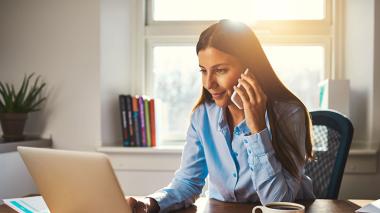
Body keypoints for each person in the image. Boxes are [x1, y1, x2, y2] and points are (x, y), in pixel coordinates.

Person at [127, 19, 315, 213]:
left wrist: (257, 130)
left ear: (250, 69)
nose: (209, 83)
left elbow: (277, 202)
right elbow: (188, 182)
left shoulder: (289, 114)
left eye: (220, 70)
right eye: (203, 70)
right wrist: (151, 203)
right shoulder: (202, 116)